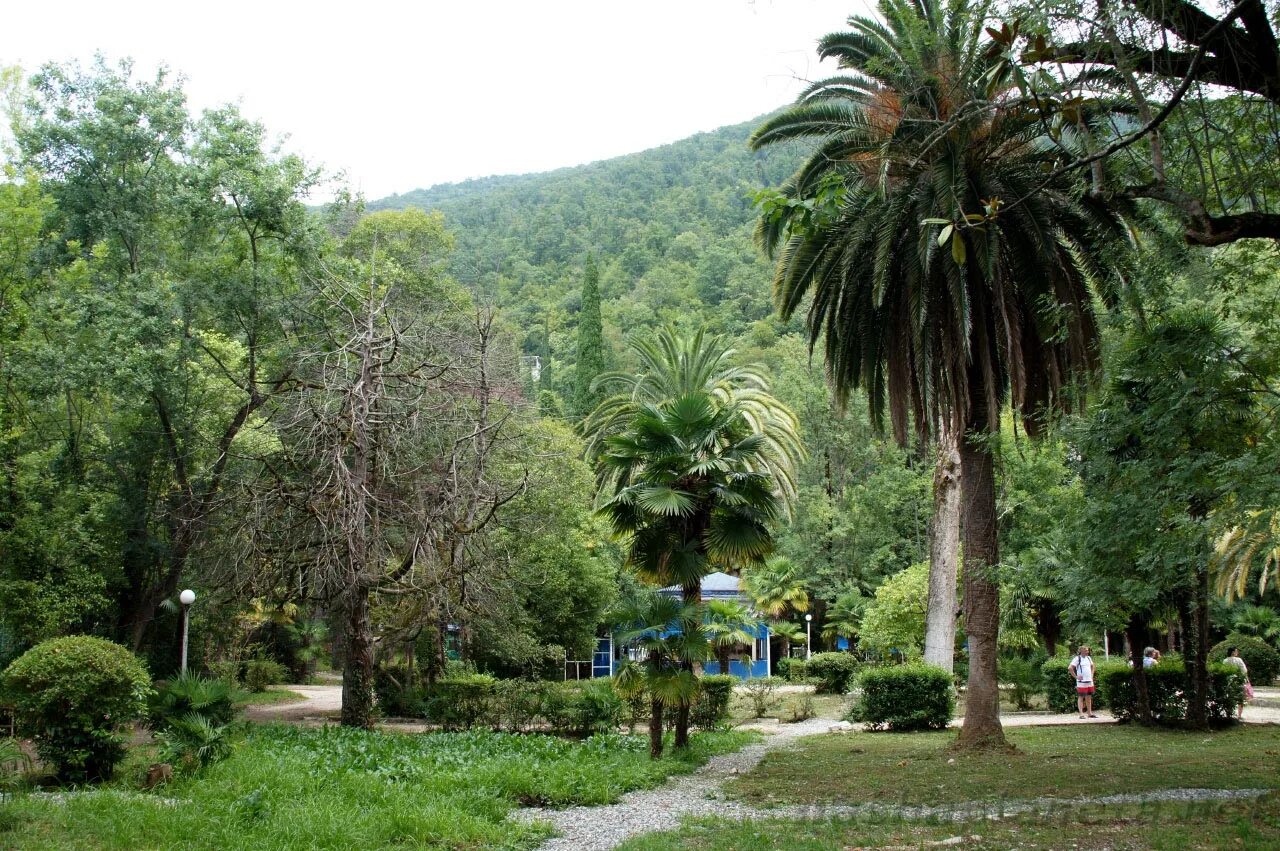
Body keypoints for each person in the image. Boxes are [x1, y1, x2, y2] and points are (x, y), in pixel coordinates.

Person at [1069, 645, 1098, 718]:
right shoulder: (1077, 658)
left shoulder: (1088, 658)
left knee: (1089, 697)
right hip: (1081, 682)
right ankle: (1081, 714)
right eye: (1086, 650)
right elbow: (1070, 668)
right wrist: (1076, 677)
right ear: (1081, 651)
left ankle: (1089, 713)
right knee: (1081, 697)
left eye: (1088, 650)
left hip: (1089, 681)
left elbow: (1093, 666)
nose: (1087, 652)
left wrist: (1092, 674)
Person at [1223, 646, 1251, 721]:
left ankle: (1229, 714)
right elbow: (1244, 670)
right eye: (1236, 651)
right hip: (1239, 681)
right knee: (1240, 699)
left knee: (1229, 697)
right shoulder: (1239, 660)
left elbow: (1224, 671)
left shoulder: (1225, 661)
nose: (1237, 652)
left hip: (1229, 681)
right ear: (1233, 652)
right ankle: (1239, 715)